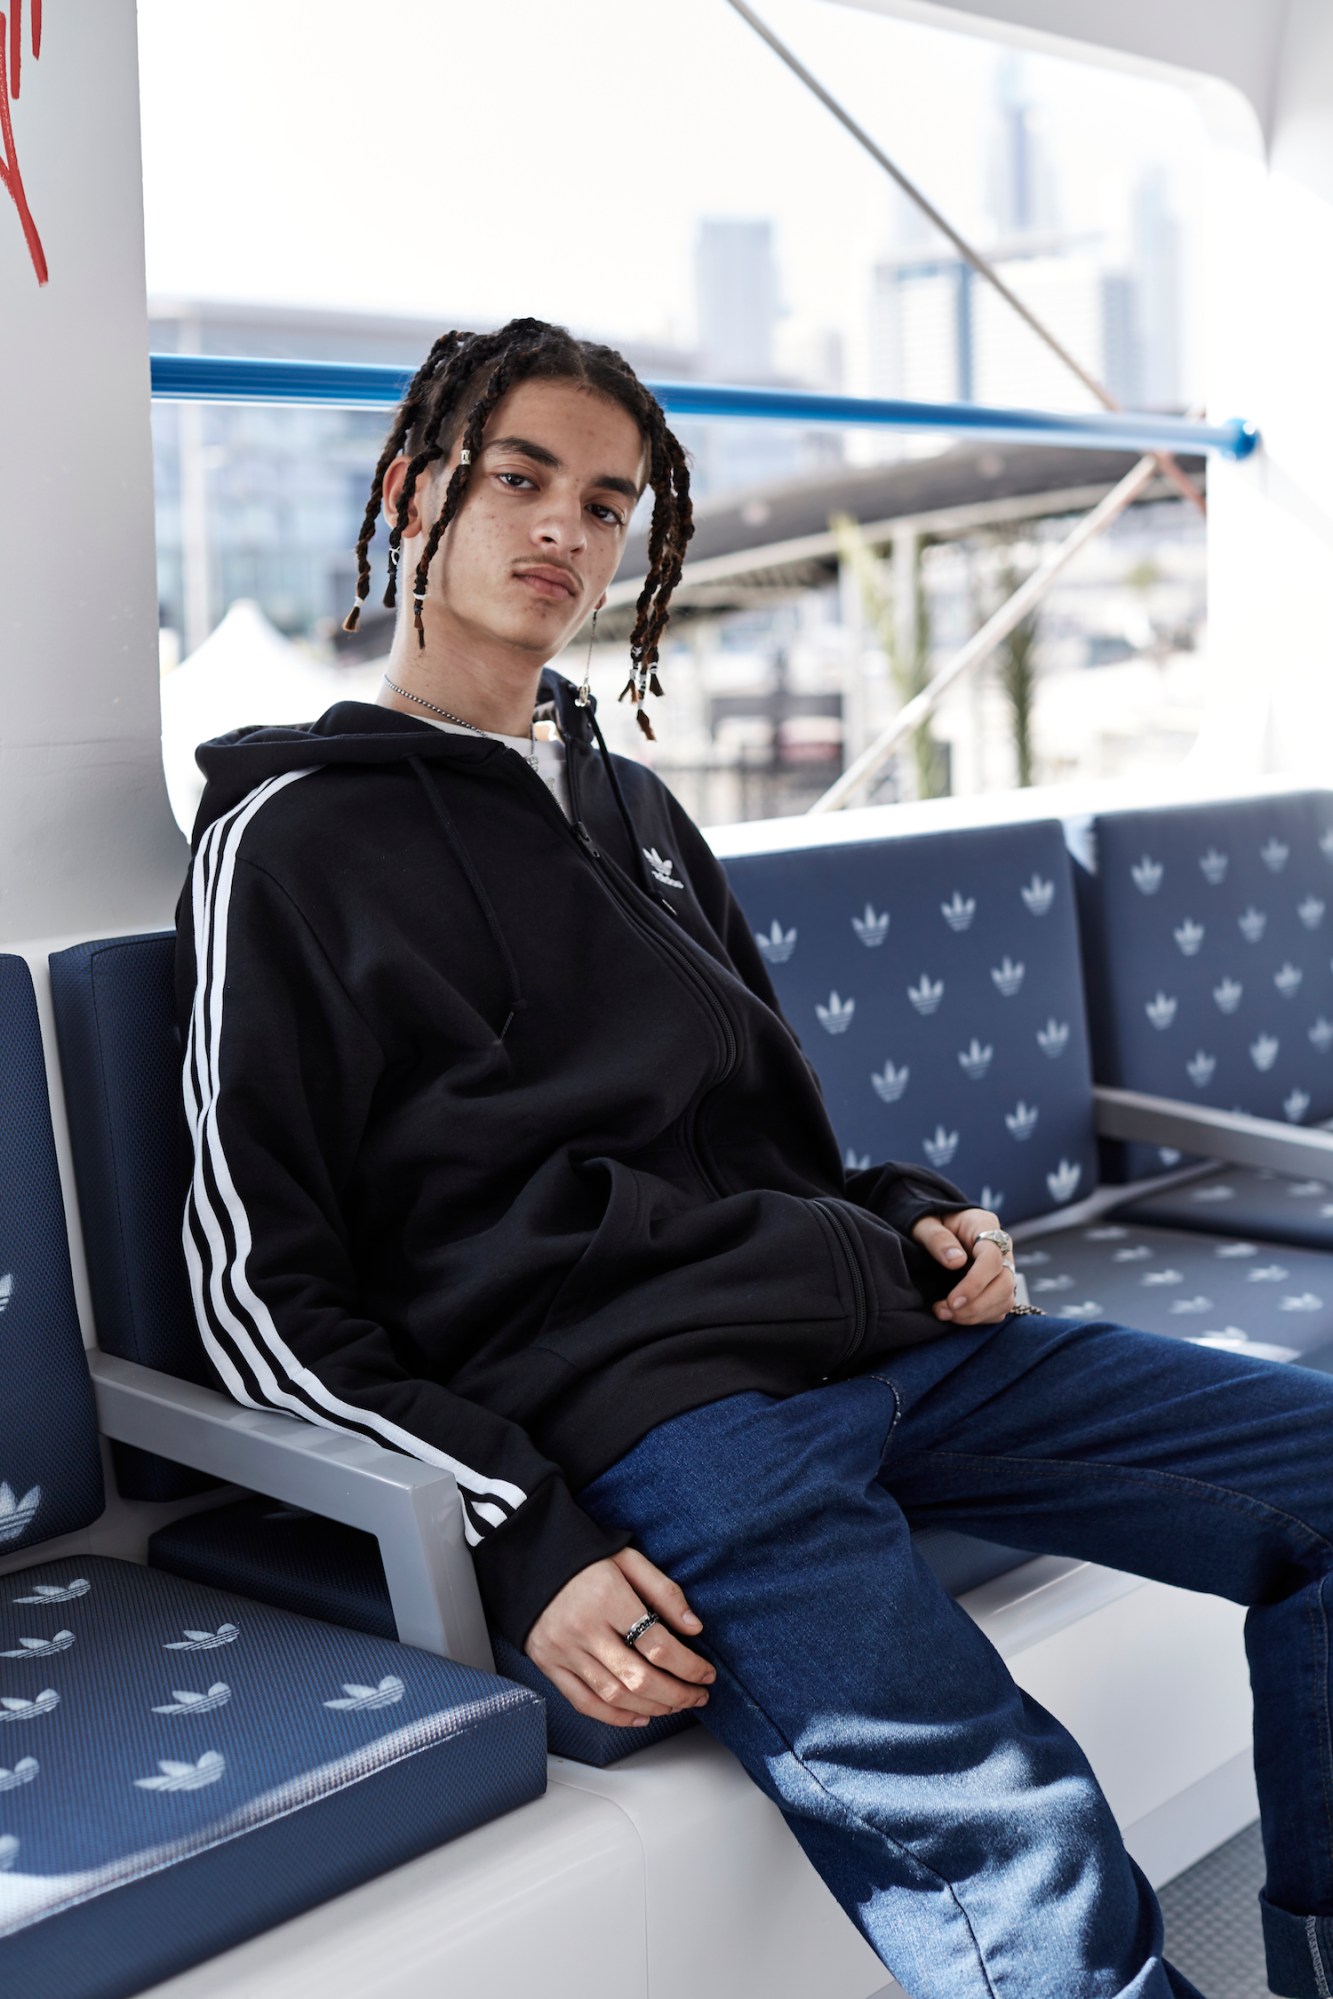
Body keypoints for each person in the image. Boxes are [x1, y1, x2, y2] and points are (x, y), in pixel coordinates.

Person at [177, 317, 1333, 1999]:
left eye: (605, 497)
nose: (564, 529)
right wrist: (518, 1530)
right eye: (517, 479)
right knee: (1028, 1852)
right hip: (662, 1424)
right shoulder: (288, 841)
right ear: (413, 493)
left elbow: (774, 1138)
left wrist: (919, 1215)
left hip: (882, 1340)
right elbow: (251, 1292)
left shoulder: (633, 809)